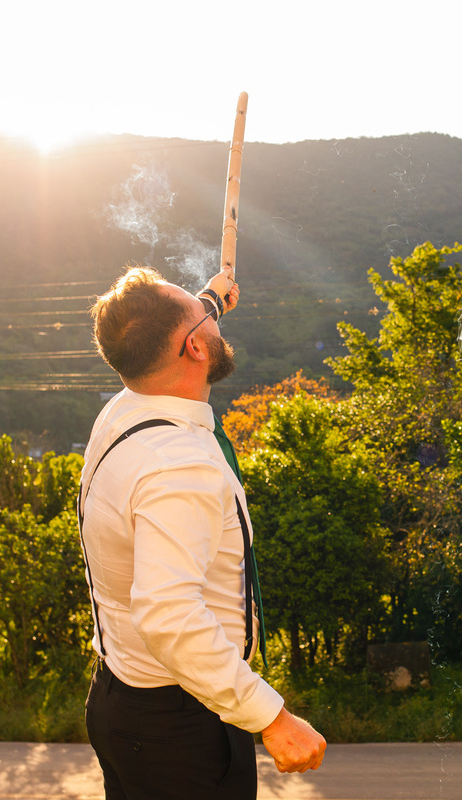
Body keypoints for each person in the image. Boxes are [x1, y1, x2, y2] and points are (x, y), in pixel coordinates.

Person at [81, 265, 326, 800]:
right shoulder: (179, 466)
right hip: (180, 729)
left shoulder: (125, 408)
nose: (216, 322)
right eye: (205, 320)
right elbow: (169, 614)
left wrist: (207, 300)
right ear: (194, 348)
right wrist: (272, 718)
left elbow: (169, 327)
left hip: (121, 700)